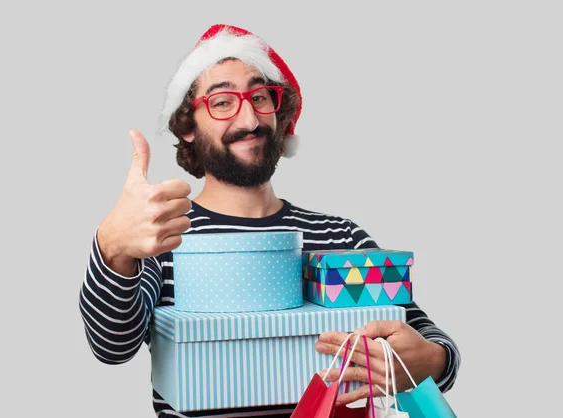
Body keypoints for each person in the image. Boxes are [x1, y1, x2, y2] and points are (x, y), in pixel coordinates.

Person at [79, 24, 461, 417]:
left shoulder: (340, 237)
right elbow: (112, 346)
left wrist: (431, 361)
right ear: (188, 126)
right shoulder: (166, 234)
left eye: (260, 97)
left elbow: (428, 338)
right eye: (223, 102)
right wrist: (112, 247)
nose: (249, 118)